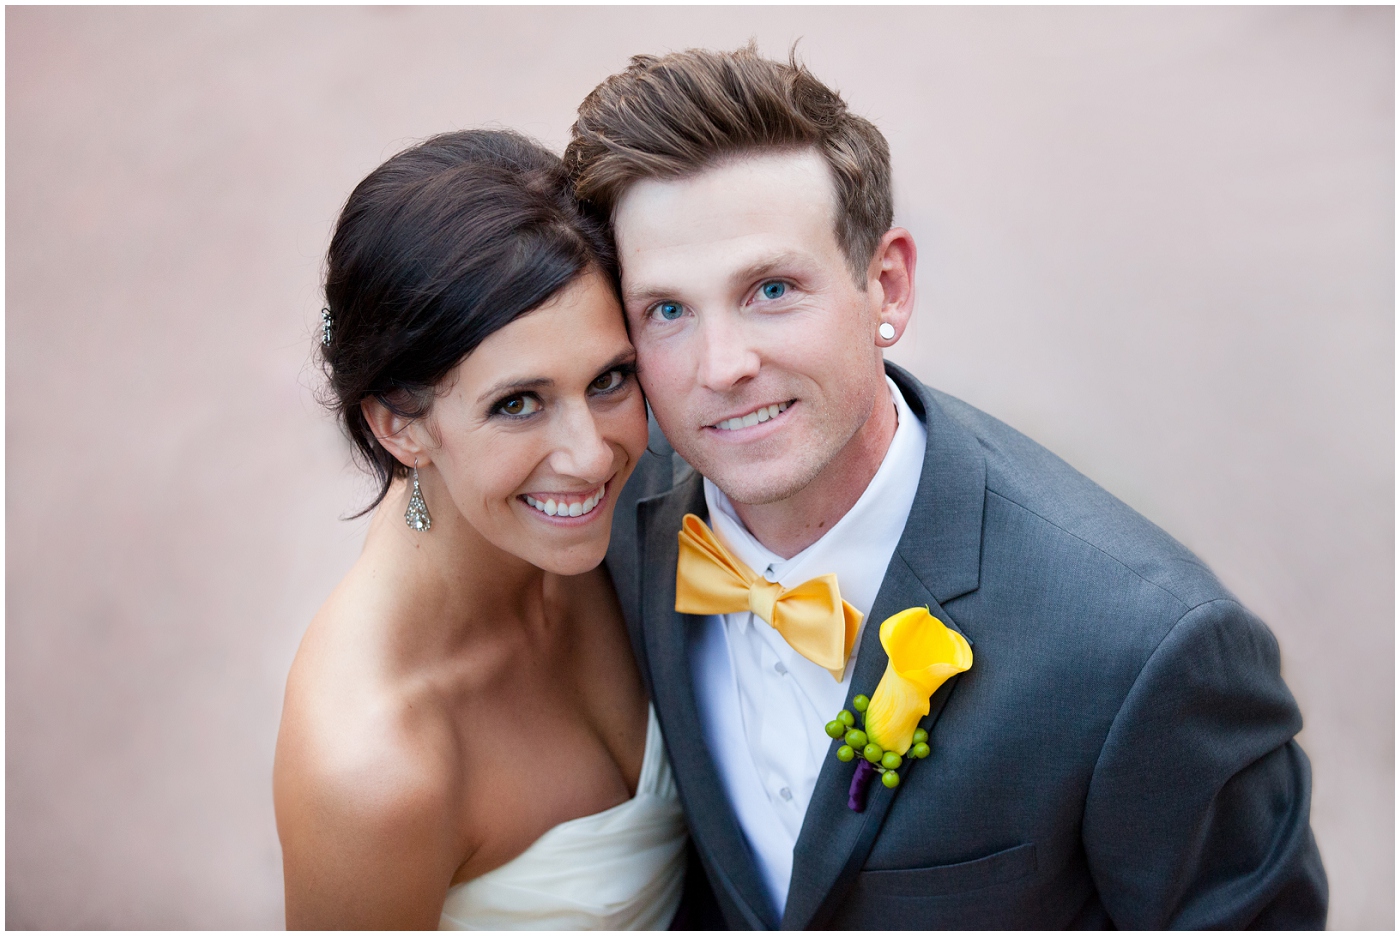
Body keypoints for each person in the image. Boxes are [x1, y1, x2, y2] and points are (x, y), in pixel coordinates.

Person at [566, 45, 1328, 929]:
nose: (723, 366)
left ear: (885, 285)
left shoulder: (1143, 649)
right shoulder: (609, 524)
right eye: (667, 310)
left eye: (772, 289)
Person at [273, 129, 689, 929]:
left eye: (608, 379)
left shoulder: (635, 511)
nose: (593, 455)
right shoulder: (373, 767)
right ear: (399, 426)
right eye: (517, 404)